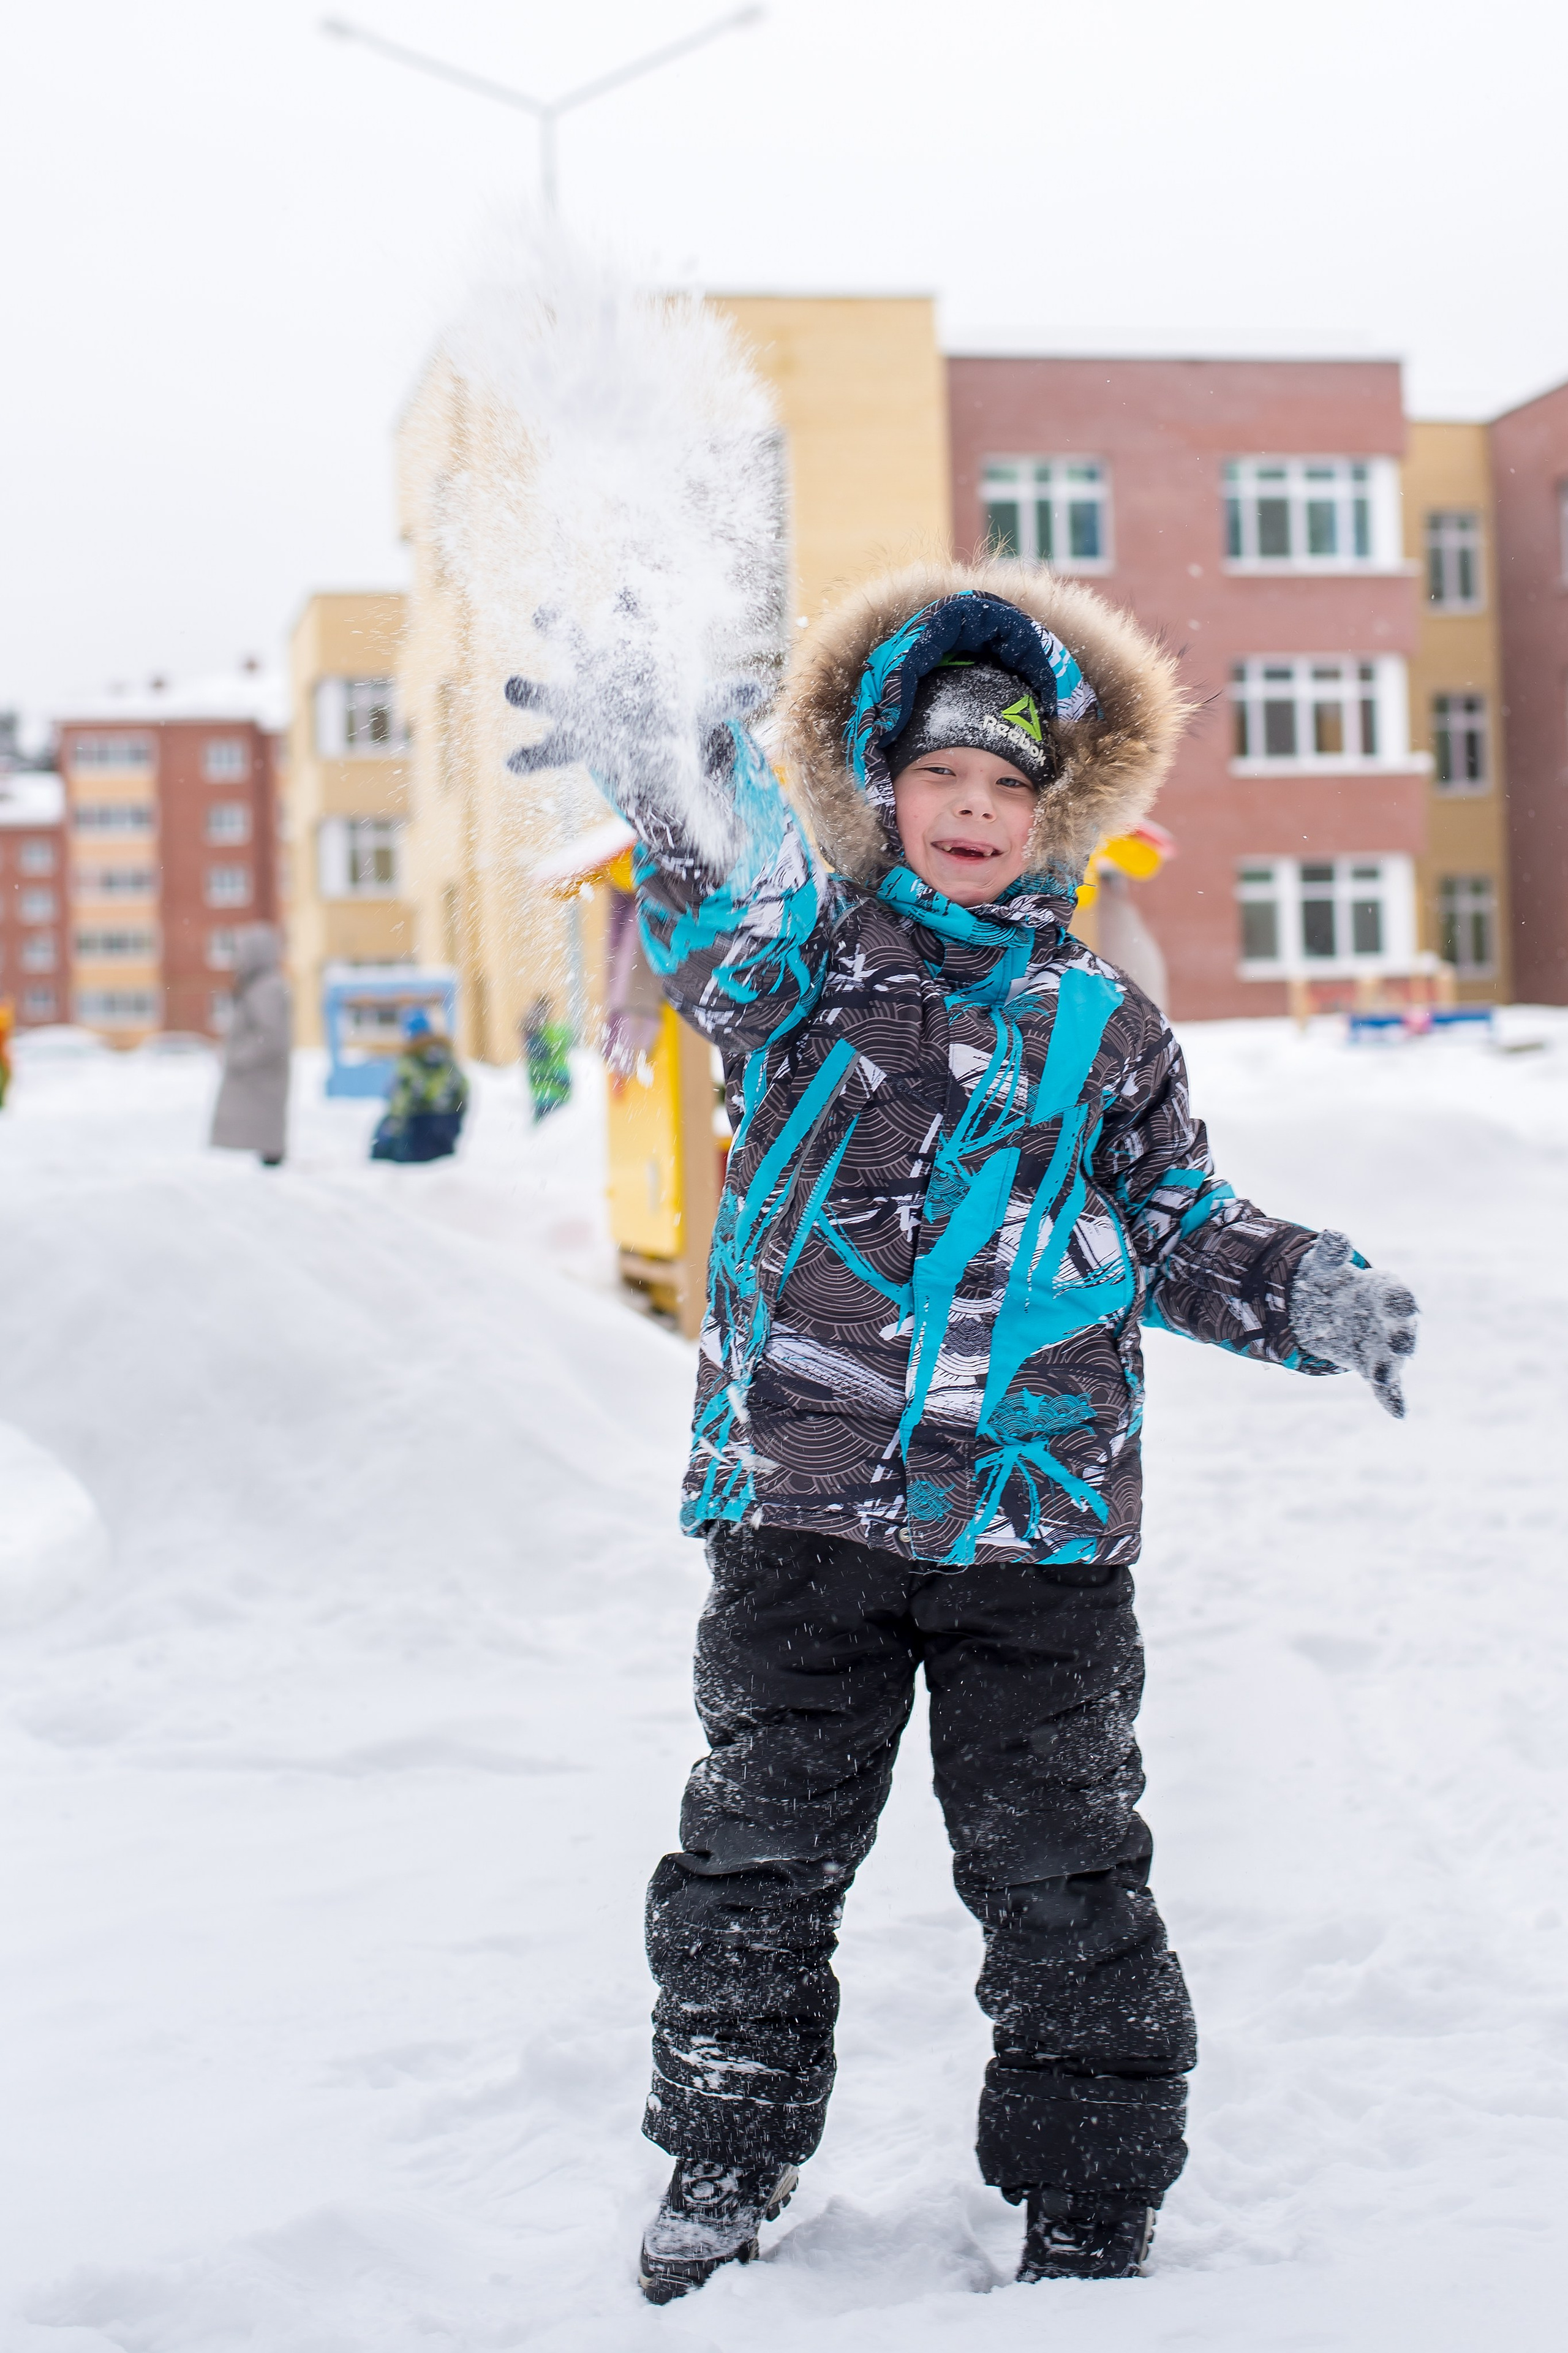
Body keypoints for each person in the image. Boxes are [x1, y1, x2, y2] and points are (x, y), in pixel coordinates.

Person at [504, 561, 1420, 2299]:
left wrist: (1304, 1288)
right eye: (940, 774)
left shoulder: (1102, 1029)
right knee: (756, 1855)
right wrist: (665, 749)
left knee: (1064, 1870)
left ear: (1051, 807)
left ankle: (1089, 2186)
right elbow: (717, 875)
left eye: (1007, 781)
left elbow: (1172, 1223)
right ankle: (726, 2147)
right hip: (805, 1508)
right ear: (883, 786)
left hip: (1039, 1528)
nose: (974, 807)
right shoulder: (796, 971)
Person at [210, 924, 290, 1166]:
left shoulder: (267, 990)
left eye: (242, 952)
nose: (238, 959)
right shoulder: (260, 986)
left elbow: (271, 1037)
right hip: (258, 1082)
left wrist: (238, 1058)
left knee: (262, 1141)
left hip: (259, 1080)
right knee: (260, 1137)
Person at [370, 1007, 469, 1162]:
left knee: (383, 1140)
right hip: (447, 1130)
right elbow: (463, 1090)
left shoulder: (410, 1061)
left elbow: (400, 1098)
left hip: (419, 1132)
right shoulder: (445, 1056)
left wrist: (393, 1128)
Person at [521, 994, 573, 1121]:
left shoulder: (536, 1037)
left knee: (547, 1126)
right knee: (556, 1125)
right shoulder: (552, 1034)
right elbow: (567, 1036)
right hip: (554, 1089)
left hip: (545, 1090)